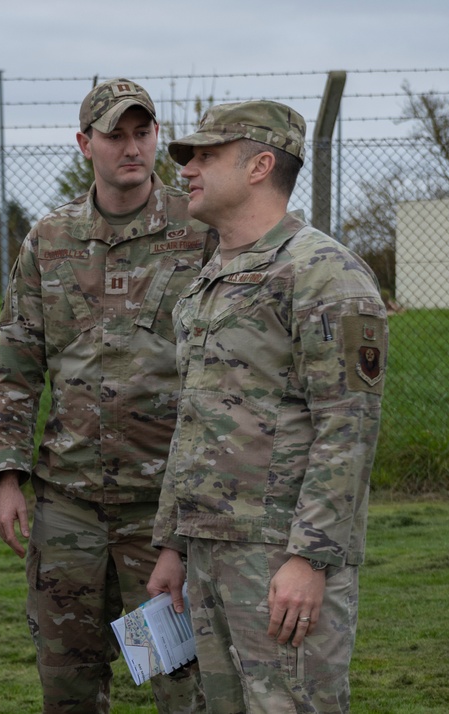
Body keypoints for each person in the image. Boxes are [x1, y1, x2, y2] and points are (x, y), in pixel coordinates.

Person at [149, 100, 388, 714]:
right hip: (208, 552)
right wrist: (174, 546)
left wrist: (309, 558)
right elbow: (196, 421)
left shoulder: (323, 274)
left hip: (279, 555)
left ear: (259, 165)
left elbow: (348, 430)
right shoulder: (212, 278)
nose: (187, 169)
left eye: (206, 155)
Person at [0, 79, 212, 714]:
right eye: (115, 135)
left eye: (143, 132)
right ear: (85, 144)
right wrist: (8, 475)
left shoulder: (197, 232)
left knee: (174, 679)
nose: (131, 147)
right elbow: (19, 367)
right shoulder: (50, 240)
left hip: (161, 514)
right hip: (70, 511)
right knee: (71, 684)